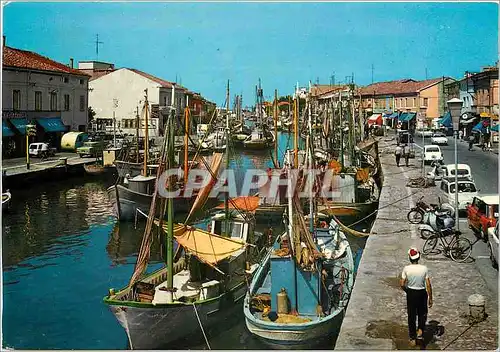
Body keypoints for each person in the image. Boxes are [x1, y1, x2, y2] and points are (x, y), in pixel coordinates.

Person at [400, 248, 433, 347]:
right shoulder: (424, 268)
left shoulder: (406, 269)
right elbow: (428, 284)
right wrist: (430, 298)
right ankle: (420, 331)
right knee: (422, 313)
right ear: (419, 257)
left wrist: (407, 291)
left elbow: (402, 283)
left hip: (411, 293)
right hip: (422, 293)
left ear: (410, 258)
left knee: (411, 316)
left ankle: (412, 338)